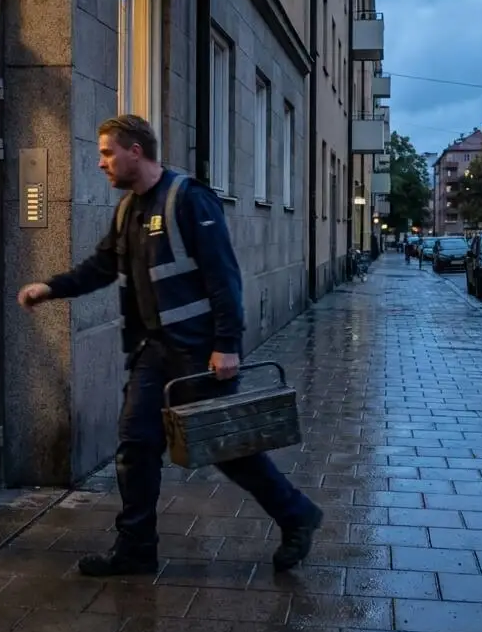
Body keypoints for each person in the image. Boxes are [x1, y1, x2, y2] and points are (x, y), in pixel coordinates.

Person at [18, 115, 323, 577]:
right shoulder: (128, 210)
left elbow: (223, 277)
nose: (101, 163)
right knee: (135, 447)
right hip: (153, 352)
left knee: (226, 447)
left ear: (134, 151)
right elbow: (100, 268)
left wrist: (227, 344)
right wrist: (50, 287)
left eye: (106, 152)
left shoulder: (189, 199)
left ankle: (296, 513)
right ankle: (136, 548)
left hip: (197, 354)